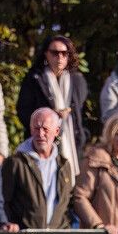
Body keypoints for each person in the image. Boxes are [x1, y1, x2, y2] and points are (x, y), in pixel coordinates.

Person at [17, 35, 88, 179]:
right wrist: (49, 116)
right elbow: (23, 110)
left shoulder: (77, 80)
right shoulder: (34, 78)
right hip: (41, 143)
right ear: (46, 54)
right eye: (55, 53)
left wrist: (70, 113)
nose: (60, 57)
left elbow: (83, 113)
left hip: (73, 143)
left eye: (64, 53)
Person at [2, 107, 73, 229]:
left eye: (45, 129)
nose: (40, 134)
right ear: (30, 129)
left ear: (56, 131)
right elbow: (4, 200)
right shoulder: (15, 162)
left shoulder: (64, 164)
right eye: (36, 128)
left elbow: (67, 203)